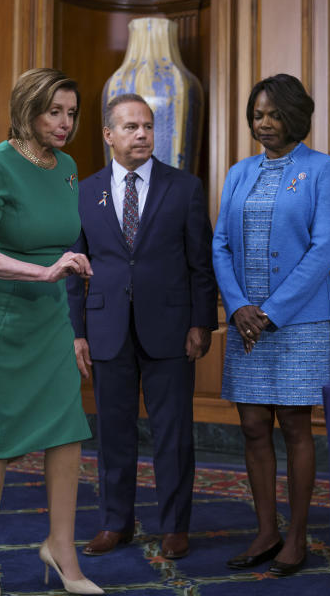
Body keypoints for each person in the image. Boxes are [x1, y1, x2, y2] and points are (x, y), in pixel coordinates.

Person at [0, 68, 103, 596]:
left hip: (48, 319)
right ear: (26, 109)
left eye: (71, 112)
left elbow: (58, 239)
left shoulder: (66, 167)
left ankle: (61, 549)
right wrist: (42, 271)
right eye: (53, 111)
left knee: (66, 433)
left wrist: (70, 263)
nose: (65, 124)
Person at [66, 93, 217, 560]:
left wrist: (201, 323)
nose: (142, 134)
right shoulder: (85, 191)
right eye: (131, 127)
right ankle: (116, 523)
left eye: (148, 126)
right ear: (109, 135)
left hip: (171, 328)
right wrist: (77, 332)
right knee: (113, 434)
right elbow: (74, 268)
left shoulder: (184, 187)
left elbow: (200, 264)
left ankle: (174, 526)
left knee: (173, 433)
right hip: (107, 328)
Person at [212, 74, 330, 577]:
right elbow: (220, 243)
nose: (263, 123)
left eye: (273, 114)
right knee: (251, 426)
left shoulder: (320, 169)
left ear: (296, 115)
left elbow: (322, 250)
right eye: (257, 114)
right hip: (246, 322)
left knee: (294, 425)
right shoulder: (240, 172)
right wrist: (240, 305)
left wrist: (272, 311)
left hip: (299, 323)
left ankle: (296, 535)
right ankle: (265, 529)